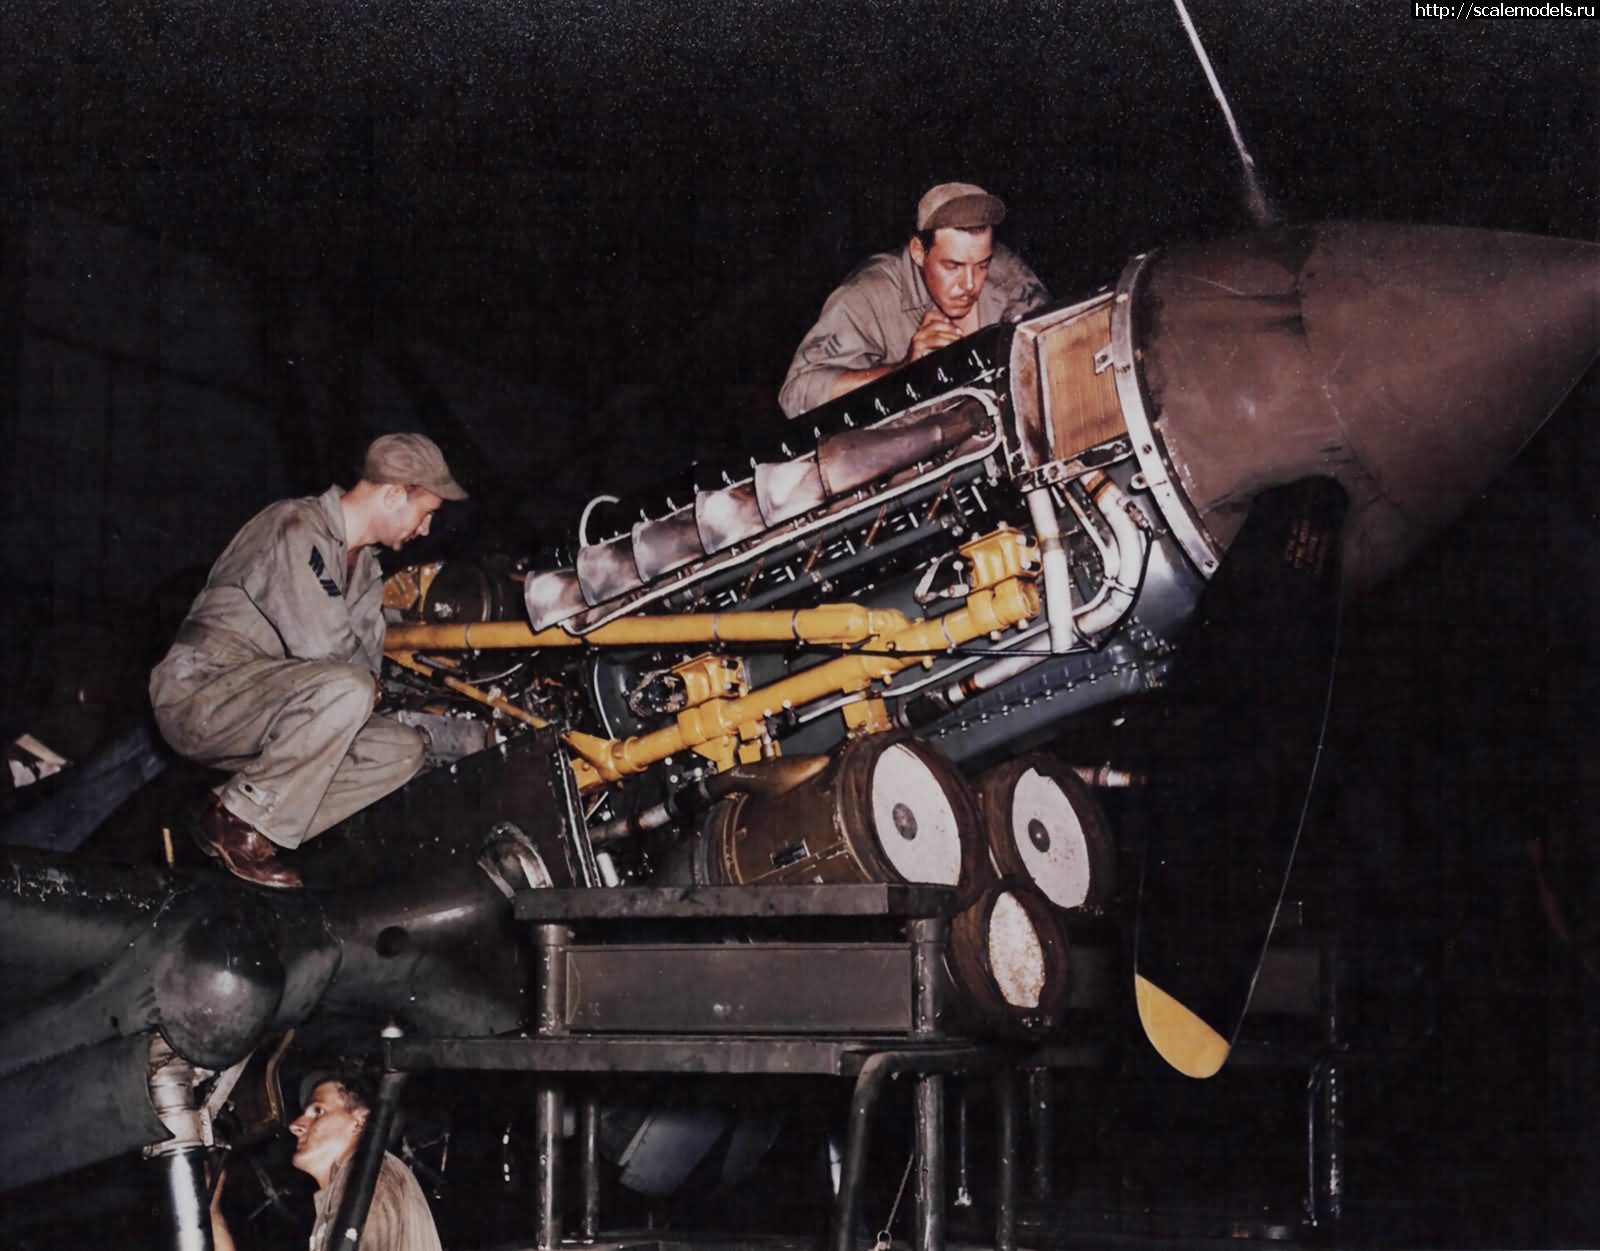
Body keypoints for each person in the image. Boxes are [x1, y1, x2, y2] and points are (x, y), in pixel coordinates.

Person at [149, 433, 468, 889]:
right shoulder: (295, 525)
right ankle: (237, 822)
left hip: (271, 706)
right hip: (202, 693)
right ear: (396, 493)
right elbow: (328, 652)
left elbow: (367, 673)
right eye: (428, 513)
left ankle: (242, 821)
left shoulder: (367, 573)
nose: (426, 530)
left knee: (401, 750)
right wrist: (368, 687)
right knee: (348, 689)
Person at [778, 181, 1050, 418]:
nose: (969, 285)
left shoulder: (1007, 272)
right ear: (919, 252)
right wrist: (903, 370)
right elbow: (796, 395)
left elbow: (1048, 348)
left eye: (981, 265)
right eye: (952, 266)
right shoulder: (869, 295)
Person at [210, 1071, 443, 1251]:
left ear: (361, 1122)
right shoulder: (350, 1190)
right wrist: (211, 1214)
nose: (295, 1126)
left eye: (318, 1111)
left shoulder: (371, 1179)